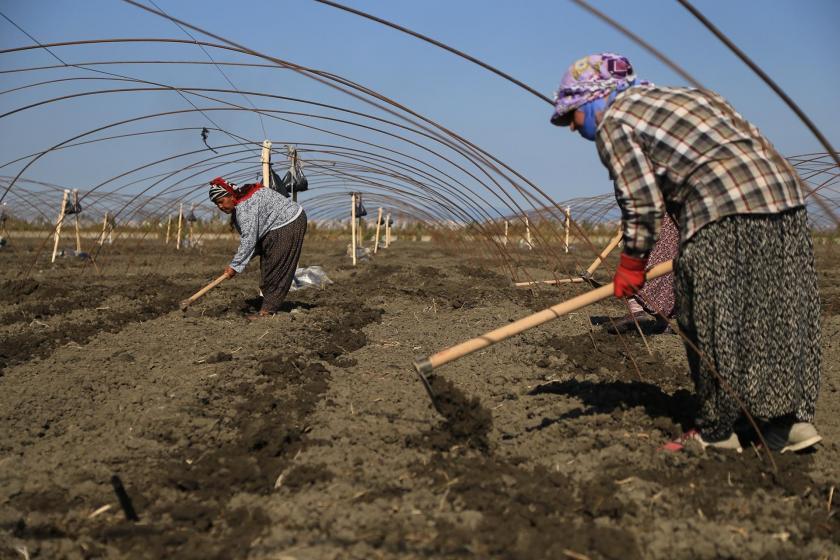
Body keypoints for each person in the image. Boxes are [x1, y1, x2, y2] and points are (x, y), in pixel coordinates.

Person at [550, 53, 822, 453]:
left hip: (721, 213)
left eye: (572, 116)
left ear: (593, 100)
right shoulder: (694, 98)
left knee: (709, 319)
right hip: (786, 203)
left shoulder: (616, 121)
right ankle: (787, 424)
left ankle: (718, 432)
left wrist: (631, 263)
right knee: (777, 313)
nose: (573, 128)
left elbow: (640, 202)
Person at [209, 177, 307, 318]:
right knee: (267, 266)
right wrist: (239, 263)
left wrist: (235, 266)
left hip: (289, 221)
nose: (220, 206)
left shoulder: (244, 209)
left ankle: (267, 311)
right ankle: (268, 302)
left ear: (231, 196)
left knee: (276, 266)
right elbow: (253, 242)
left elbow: (249, 240)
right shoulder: (241, 205)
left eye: (221, 201)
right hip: (274, 226)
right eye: (216, 204)